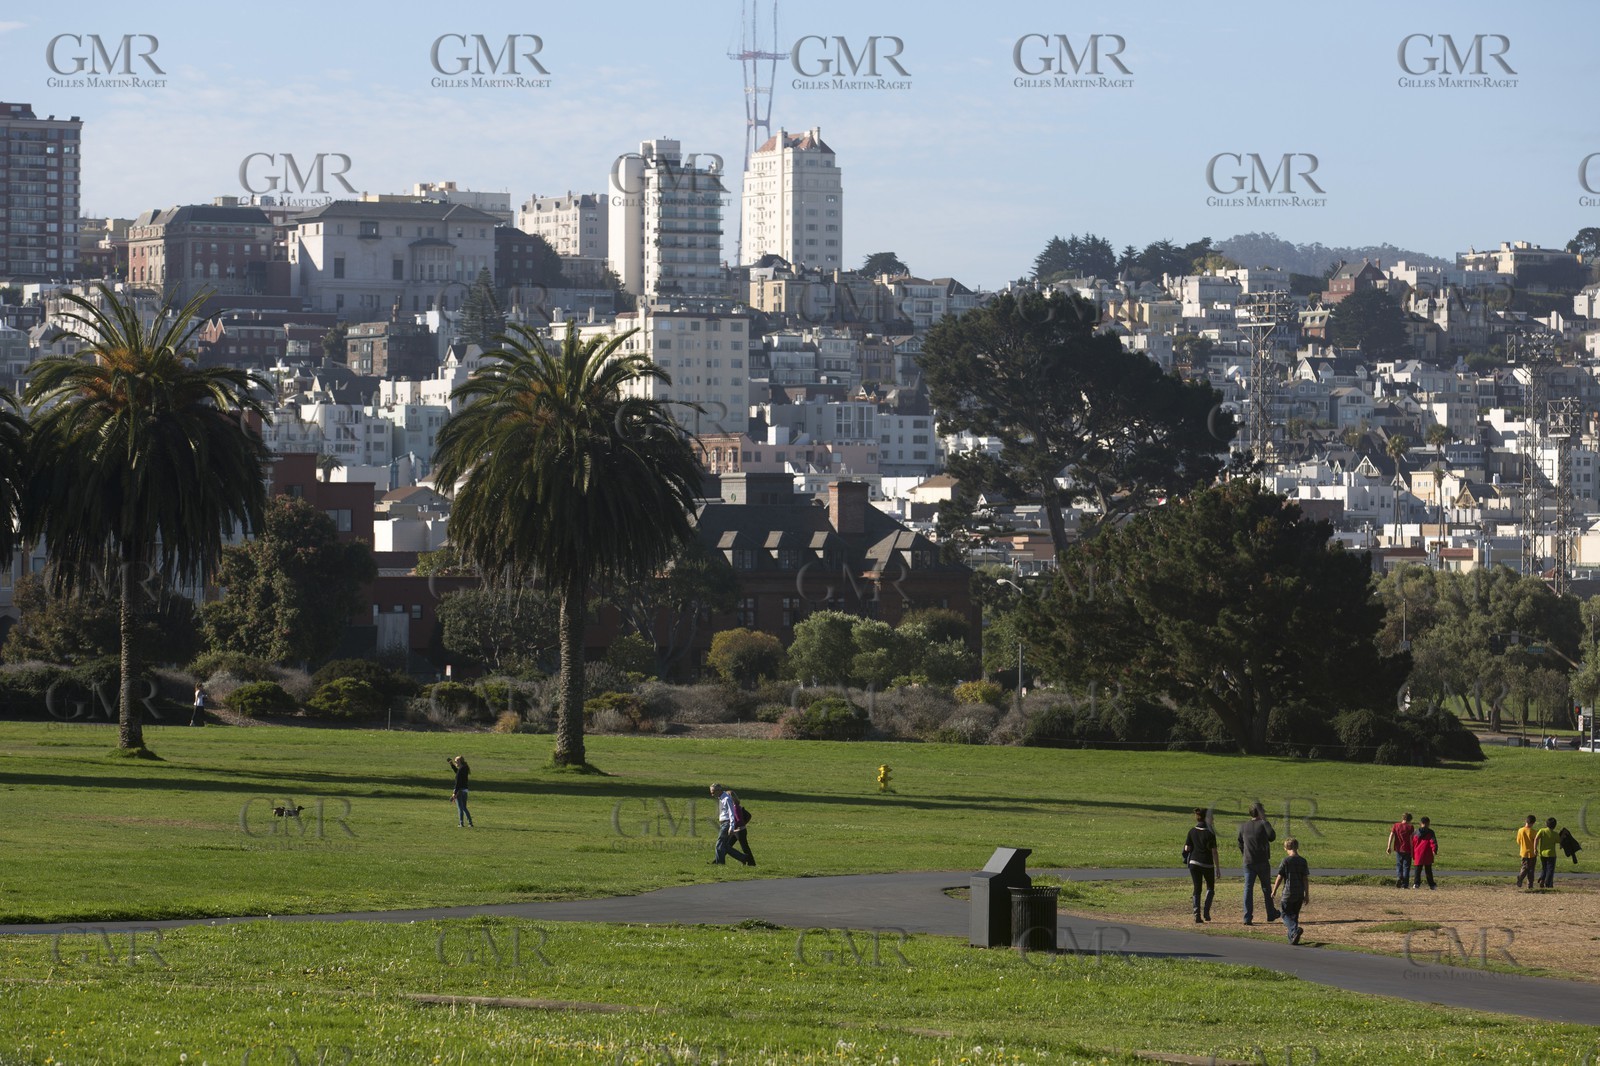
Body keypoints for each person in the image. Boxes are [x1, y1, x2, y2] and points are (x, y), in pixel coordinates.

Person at [1237, 803, 1280, 926]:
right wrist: (1266, 821)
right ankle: (1270, 914)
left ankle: (1247, 917)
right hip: (1262, 861)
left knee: (1248, 889)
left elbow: (1240, 842)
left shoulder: (1244, 826)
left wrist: (1244, 853)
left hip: (1248, 861)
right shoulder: (1263, 824)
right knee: (1266, 888)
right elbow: (1272, 836)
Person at [1270, 837, 1310, 945]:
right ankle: (1292, 937)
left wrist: (1274, 890)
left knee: (1284, 914)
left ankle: (1294, 931)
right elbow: (1305, 878)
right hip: (1299, 893)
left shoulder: (1286, 861)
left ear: (1287, 848)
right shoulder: (1303, 861)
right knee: (1294, 915)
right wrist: (1307, 894)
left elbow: (1280, 877)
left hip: (1288, 893)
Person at [1183, 807, 1219, 923]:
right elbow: (1214, 851)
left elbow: (1187, 848)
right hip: (1207, 863)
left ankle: (1196, 914)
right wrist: (1217, 867)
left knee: (1197, 888)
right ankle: (1206, 912)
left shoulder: (1192, 831)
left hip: (1194, 862)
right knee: (1210, 887)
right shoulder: (1210, 832)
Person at [709, 783, 754, 867]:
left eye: (713, 792)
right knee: (725, 846)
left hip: (726, 824)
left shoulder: (726, 799)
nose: (712, 794)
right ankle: (743, 858)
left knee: (719, 845)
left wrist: (731, 827)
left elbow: (731, 814)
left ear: (719, 790)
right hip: (724, 823)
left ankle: (720, 864)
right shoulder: (721, 798)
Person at [1386, 812, 1415, 889]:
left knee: (1399, 865)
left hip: (1398, 849)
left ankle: (1399, 877)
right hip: (1408, 849)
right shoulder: (1410, 827)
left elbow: (1391, 835)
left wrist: (1389, 846)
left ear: (1403, 818)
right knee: (1406, 867)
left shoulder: (1396, 825)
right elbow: (1411, 840)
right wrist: (1413, 851)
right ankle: (1405, 884)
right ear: (1410, 819)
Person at [1411, 816, 1438, 889]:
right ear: (1428, 823)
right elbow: (1433, 842)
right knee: (1428, 871)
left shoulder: (1416, 832)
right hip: (1427, 853)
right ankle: (1431, 885)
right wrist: (1434, 849)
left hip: (1418, 853)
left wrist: (1412, 853)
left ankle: (1416, 884)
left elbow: (1412, 843)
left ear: (1420, 823)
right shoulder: (1430, 832)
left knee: (1417, 870)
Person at [448, 755, 474, 828]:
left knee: (460, 808)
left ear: (459, 761)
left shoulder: (461, 770)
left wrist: (454, 793)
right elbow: (457, 772)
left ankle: (461, 823)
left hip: (459, 790)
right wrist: (452, 765)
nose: (455, 762)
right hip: (465, 790)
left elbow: (458, 783)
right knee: (464, 807)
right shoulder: (464, 769)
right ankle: (470, 823)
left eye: (456, 761)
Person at [1535, 817, 1560, 889]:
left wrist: (1535, 848)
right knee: (1550, 869)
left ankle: (1542, 879)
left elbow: (1536, 838)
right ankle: (1548, 883)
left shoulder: (1542, 831)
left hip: (1542, 853)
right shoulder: (1555, 834)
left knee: (1544, 868)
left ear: (1546, 824)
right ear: (1555, 826)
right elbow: (1559, 841)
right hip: (1551, 854)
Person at [1516, 814, 1538, 891]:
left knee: (1524, 866)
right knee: (1531, 869)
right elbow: (1535, 842)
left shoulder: (1520, 830)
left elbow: (1518, 841)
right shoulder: (1533, 832)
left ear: (1526, 821)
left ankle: (1521, 877)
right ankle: (1529, 884)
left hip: (1523, 852)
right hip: (1532, 853)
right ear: (1533, 823)